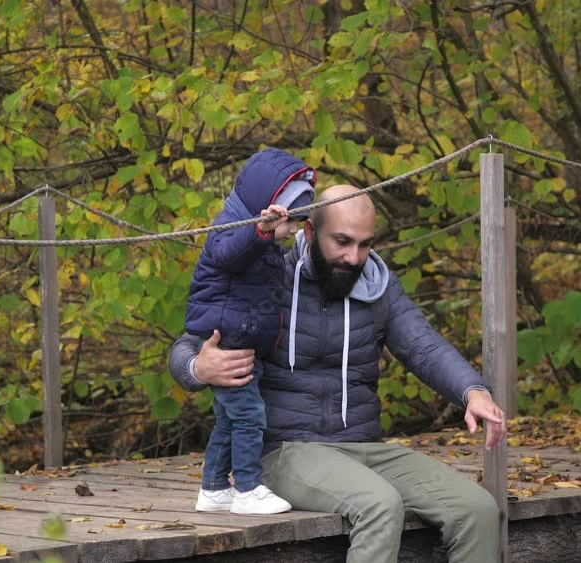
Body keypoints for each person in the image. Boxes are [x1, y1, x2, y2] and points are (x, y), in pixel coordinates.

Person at [170, 184, 507, 561]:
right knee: (380, 505)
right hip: (283, 450)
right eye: (342, 242)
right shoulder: (266, 275)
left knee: (477, 509)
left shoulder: (378, 286)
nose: (354, 257)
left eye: (364, 245)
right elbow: (185, 347)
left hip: (363, 448)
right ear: (309, 231)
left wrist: (472, 390)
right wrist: (198, 367)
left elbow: (422, 346)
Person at [184, 148, 316, 515]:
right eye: (290, 222)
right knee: (250, 417)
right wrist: (260, 231)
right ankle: (246, 487)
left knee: (229, 419)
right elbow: (227, 255)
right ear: (268, 209)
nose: (291, 232)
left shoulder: (264, 242)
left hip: (243, 343)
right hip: (227, 344)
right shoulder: (231, 230)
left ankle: (212, 488)